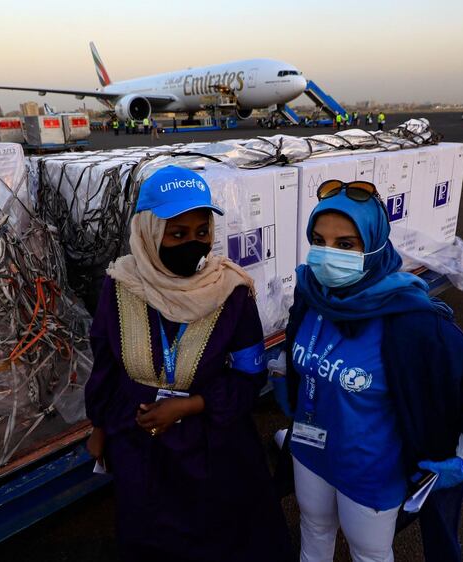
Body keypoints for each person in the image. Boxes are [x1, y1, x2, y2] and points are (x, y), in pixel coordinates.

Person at [276, 180, 463, 562]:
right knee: (314, 530)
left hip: (370, 470)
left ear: (374, 245)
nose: (325, 255)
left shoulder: (409, 317)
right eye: (318, 241)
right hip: (310, 452)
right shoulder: (311, 295)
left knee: (369, 552)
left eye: (345, 245)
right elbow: (295, 356)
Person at [84, 166, 293, 562]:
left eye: (201, 232)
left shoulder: (230, 290)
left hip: (210, 441)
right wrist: (98, 427)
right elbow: (106, 362)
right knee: (149, 532)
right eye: (177, 234)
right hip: (137, 438)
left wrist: (191, 405)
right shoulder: (121, 284)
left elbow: (251, 374)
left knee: (219, 534)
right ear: (148, 231)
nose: (192, 244)